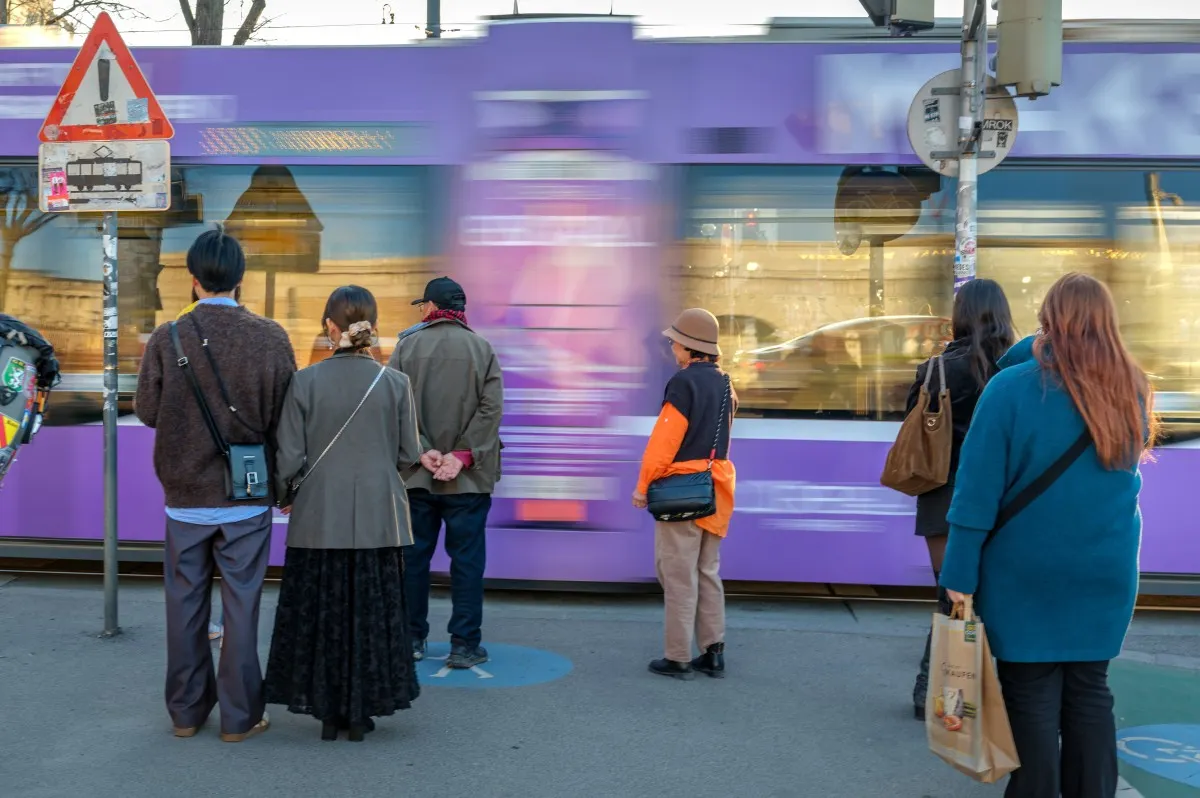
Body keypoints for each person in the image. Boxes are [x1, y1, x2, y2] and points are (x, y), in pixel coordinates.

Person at [941, 273, 1156, 798]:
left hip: (1025, 573)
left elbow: (976, 495)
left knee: (1031, 696)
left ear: (1047, 319)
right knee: (1089, 691)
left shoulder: (1011, 388)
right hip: (1105, 571)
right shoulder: (1133, 385)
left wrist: (958, 576)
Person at [135, 228, 296, 742]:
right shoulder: (271, 337)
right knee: (242, 605)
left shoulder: (168, 336)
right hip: (245, 496)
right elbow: (286, 418)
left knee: (184, 605)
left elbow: (146, 411)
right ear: (241, 278)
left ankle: (185, 713)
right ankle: (240, 717)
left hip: (184, 497)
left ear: (192, 279)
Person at [265, 285, 422, 742]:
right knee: (372, 616)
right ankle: (363, 711)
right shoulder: (396, 383)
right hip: (379, 518)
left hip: (317, 517)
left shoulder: (304, 381)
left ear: (330, 328)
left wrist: (286, 493)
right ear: (371, 327)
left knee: (322, 615)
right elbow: (409, 452)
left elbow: (289, 458)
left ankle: (327, 713)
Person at [908, 279, 1016, 720]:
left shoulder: (936, 368)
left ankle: (934, 691)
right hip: (999, 497)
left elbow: (912, 422)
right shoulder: (1015, 371)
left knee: (950, 598)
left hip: (942, 492)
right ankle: (998, 693)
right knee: (998, 597)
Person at [389, 276, 503, 669]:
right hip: (467, 481)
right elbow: (491, 411)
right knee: (467, 562)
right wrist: (462, 456)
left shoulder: (406, 348)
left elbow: (394, 407)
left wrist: (423, 452)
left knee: (414, 560)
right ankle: (464, 644)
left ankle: (411, 639)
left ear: (431, 308)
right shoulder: (483, 349)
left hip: (416, 477)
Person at [633, 308, 737, 680]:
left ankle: (677, 656)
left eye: (675, 341)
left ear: (690, 348)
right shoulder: (726, 383)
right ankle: (713, 652)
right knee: (707, 570)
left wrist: (643, 486)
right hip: (716, 489)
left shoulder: (683, 383)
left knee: (677, 574)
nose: (672, 346)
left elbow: (664, 443)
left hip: (682, 493)